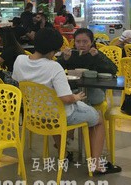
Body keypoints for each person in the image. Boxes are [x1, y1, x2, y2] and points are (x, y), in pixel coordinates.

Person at [12, 28, 121, 175]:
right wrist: (75, 98)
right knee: (98, 119)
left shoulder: (20, 60)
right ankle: (95, 164)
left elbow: (18, 81)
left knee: (55, 112)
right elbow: (66, 99)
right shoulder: (54, 66)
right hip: (60, 114)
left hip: (35, 114)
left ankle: (63, 154)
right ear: (53, 50)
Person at [58, 28, 117, 105]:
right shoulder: (69, 54)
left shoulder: (96, 54)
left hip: (93, 89)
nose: (81, 45)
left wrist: (97, 57)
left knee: (93, 97)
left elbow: (113, 70)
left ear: (91, 42)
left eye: (85, 42)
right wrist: (64, 59)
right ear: (74, 42)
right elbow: (55, 71)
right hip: (73, 88)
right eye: (78, 41)